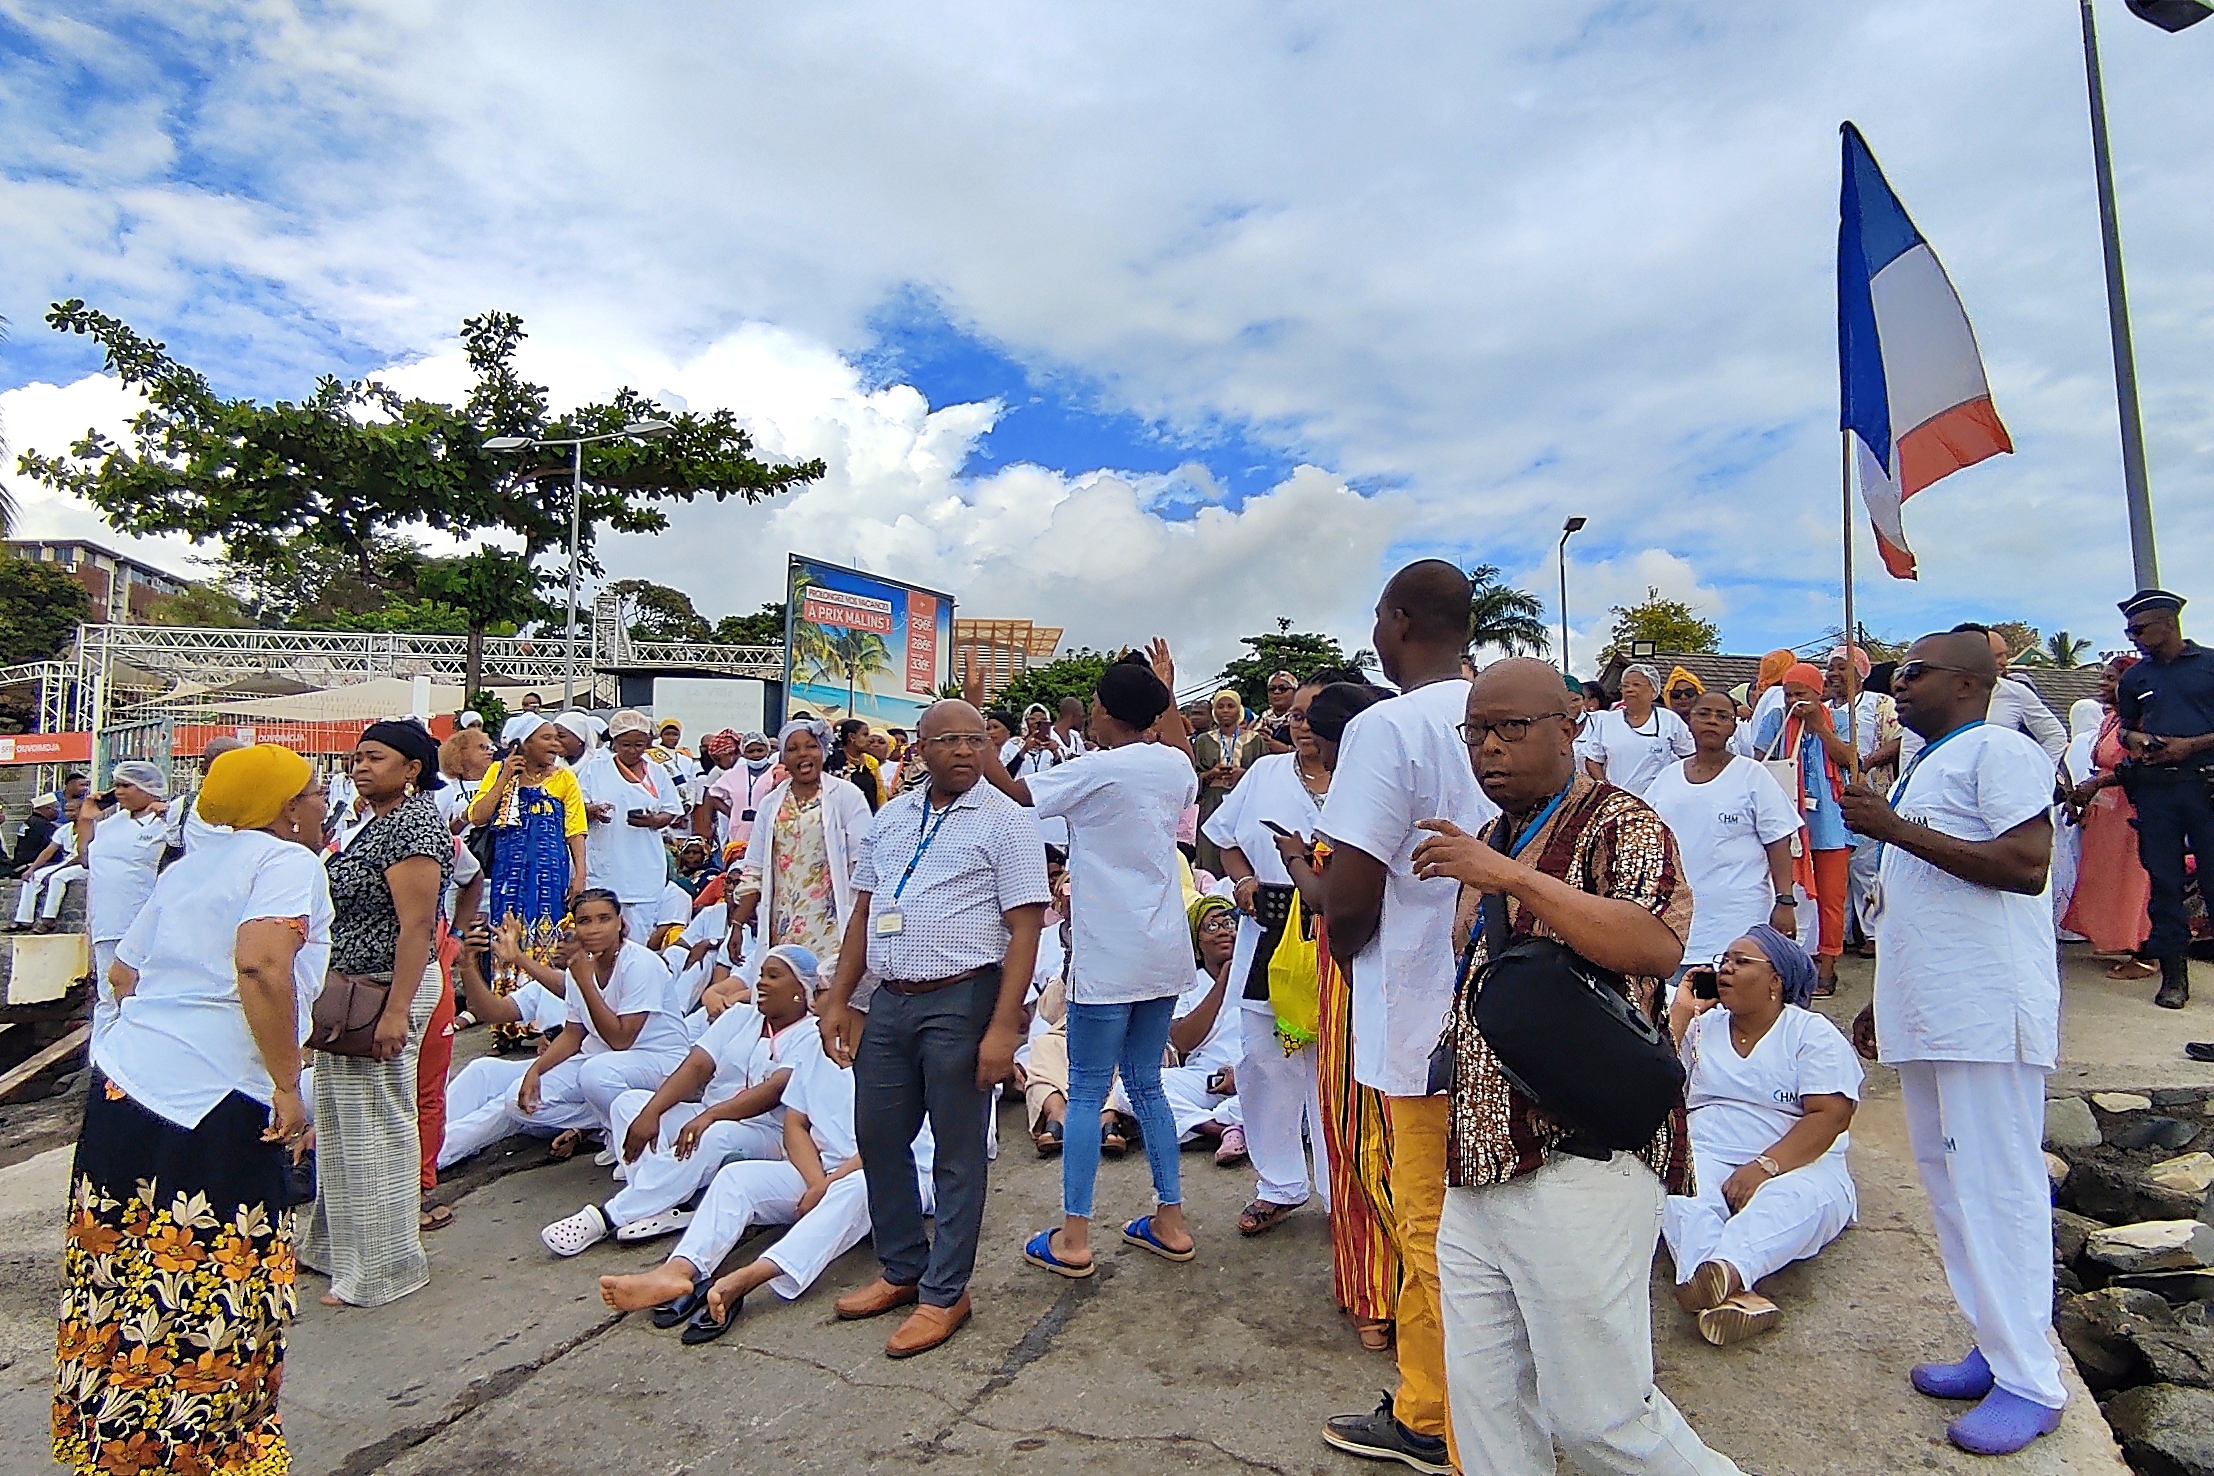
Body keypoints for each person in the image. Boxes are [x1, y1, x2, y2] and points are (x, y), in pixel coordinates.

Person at [1411, 657, 1740, 1476]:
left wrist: (1512, 878)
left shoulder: (1623, 823)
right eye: (1476, 731)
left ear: (1570, 726)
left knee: (1599, 1418)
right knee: (1488, 1414)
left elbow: (1654, 943)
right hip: (1481, 1161)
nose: (1489, 748)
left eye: (1511, 728)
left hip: (1581, 1158)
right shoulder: (1490, 836)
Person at [54, 744, 330, 1476]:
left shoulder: (188, 870)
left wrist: (146, 1038)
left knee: (119, 1271)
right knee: (216, 1282)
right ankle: (205, 1453)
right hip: (215, 1099)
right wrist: (284, 1084)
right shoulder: (285, 864)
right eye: (312, 789)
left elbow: (123, 973)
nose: (323, 800)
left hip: (127, 1089)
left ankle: (116, 1448)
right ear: (283, 808)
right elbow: (261, 964)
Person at [1838, 631, 2068, 1455]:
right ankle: (1997, 1342)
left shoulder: (1999, 750)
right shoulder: (1929, 761)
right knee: (1951, 1186)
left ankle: (2032, 1380)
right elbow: (1921, 900)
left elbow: (2023, 863)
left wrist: (1891, 829)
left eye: (1915, 672)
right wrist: (1883, 999)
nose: (1898, 683)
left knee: (1997, 1188)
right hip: (1936, 1013)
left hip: (1984, 1015)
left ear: (1969, 682)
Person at [1316, 560, 1498, 1471]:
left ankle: (1466, 1438)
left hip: (1418, 1015)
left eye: (1377, 621)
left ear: (1398, 621)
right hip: (1505, 1021)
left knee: (1429, 1230)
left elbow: (1349, 896)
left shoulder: (1389, 727)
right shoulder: (1510, 716)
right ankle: (1429, 1408)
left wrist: (1340, 948)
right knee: (1482, 1227)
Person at [816, 697, 1050, 1358]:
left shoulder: (1008, 822)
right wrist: (841, 998)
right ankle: (902, 1268)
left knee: (957, 1149)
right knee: (879, 1134)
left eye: (976, 740)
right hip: (890, 1000)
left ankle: (946, 1293)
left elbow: (1026, 928)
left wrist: (1005, 1028)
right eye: (948, 740)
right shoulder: (892, 817)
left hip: (963, 998)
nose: (965, 752)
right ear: (919, 748)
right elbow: (865, 912)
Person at [973, 645, 1201, 1278]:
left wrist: (975, 713)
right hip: (1161, 953)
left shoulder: (1097, 769)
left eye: (1095, 707)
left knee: (1086, 1091)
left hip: (1107, 954)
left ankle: (1073, 1236)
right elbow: (1179, 749)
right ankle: (1171, 1221)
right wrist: (1167, 691)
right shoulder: (1170, 767)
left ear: (1102, 711)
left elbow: (1016, 793)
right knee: (1147, 1083)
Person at [299, 720, 453, 1308]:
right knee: (340, 1123)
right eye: (357, 757)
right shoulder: (369, 824)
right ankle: (339, 1252)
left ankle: (385, 1265)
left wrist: (395, 1012)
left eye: (376, 757)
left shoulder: (414, 826)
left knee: (377, 1128)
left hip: (390, 987)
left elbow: (416, 926)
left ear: (412, 768)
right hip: (354, 987)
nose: (361, 766)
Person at [541, 944, 820, 1254]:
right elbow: (696, 1065)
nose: (761, 983)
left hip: (765, 1133)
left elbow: (773, 1092)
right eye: (761, 975)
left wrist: (710, 1116)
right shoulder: (741, 1016)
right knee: (630, 1105)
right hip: (706, 1112)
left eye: (774, 976)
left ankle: (607, 1216)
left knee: (714, 1134)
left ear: (801, 989)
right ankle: (665, 1208)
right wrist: (652, 1112)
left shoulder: (811, 1034)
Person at [1663, 926, 1860, 1346]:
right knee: (1679, 1191)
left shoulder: (1810, 1032)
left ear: (1776, 982)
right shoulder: (1703, 1025)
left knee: (1786, 1203)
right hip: (1710, 1145)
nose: (1725, 970)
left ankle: (1726, 1270)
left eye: (1740, 962)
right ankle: (1735, 1294)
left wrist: (1763, 1167)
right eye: (1724, 961)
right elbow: (1653, 1078)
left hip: (1799, 1158)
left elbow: (1830, 1115)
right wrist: (1681, 1012)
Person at [1276, 678, 1397, 1352]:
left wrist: (1295, 856)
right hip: (1398, 978)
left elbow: (1334, 901)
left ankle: (1375, 1298)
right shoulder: (1411, 778)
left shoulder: (1360, 792)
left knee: (1356, 1138)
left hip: (1355, 980)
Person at [1206, 672, 1345, 1236]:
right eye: (1296, 714)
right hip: (1270, 924)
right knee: (1266, 1060)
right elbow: (1225, 838)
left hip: (1345, 927)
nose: (1303, 723)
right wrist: (1240, 883)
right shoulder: (1264, 773)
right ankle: (1280, 1183)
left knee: (1341, 1063)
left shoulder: (1365, 777)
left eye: (1316, 713)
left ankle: (1347, 1194)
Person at [438, 890, 690, 1163]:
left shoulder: (639, 963)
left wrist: (584, 982)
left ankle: (620, 1131)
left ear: (620, 923)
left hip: (658, 1063)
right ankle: (425, 1140)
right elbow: (572, 1035)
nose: (593, 929)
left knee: (597, 1073)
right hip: (598, 1064)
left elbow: (621, 1040)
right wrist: (535, 1070)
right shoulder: (580, 969)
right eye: (584, 922)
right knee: (516, 1099)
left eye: (604, 919)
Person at [1644, 691, 1801, 976]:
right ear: (1689, 721)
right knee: (1681, 1012)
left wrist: (1785, 901)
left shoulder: (1752, 775)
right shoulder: (1667, 779)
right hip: (1677, 921)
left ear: (1733, 727)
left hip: (1738, 919)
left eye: (1722, 717)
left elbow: (1778, 841)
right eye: (1704, 714)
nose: (1712, 722)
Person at [2112, 591, 2214, 1011]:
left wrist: (2190, 746)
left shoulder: (2210, 665)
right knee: (2164, 884)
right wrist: (2138, 740)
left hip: (2206, 786)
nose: (2132, 638)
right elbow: (2123, 728)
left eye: (2138, 629)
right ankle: (2174, 978)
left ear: (2168, 624)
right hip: (2157, 791)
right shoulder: (2136, 678)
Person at [469, 713, 589, 1048]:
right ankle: (507, 1024)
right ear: (525, 743)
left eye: (556, 738)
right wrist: (506, 775)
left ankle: (543, 1023)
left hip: (550, 874)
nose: (556, 745)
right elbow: (478, 816)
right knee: (509, 936)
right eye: (547, 738)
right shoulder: (499, 772)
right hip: (510, 873)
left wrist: (580, 873)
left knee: (546, 940)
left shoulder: (564, 779)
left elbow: (575, 830)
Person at [727, 719, 873, 990]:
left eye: (810, 747)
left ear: (823, 751)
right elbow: (755, 867)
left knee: (826, 993)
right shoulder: (771, 804)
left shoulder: (847, 796)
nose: (803, 754)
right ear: (783, 758)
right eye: (793, 749)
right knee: (788, 994)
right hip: (782, 924)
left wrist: (862, 923)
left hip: (832, 924)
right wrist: (737, 925)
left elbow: (864, 863)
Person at [1755, 662, 1856, 993]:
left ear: (1819, 693)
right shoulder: (1776, 720)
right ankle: (1784, 965)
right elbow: (1760, 763)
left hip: (1829, 822)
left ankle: (1827, 966)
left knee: (1831, 897)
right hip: (1788, 820)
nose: (1794, 700)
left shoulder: (1838, 719)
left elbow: (1849, 759)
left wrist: (1819, 727)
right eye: (1788, 694)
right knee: (1785, 893)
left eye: (1801, 694)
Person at [2062, 656, 2154, 969]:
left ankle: (2145, 953)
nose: (2103, 684)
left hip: (2131, 804)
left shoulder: (2143, 721)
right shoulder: (2110, 719)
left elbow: (2143, 766)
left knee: (2132, 877)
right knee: (2107, 876)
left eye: (2111, 679)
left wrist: (2100, 782)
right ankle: (2116, 939)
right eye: (2103, 677)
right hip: (2105, 807)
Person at [578, 711, 685, 939]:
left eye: (639, 745)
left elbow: (672, 810)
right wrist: (593, 811)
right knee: (600, 935)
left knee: (639, 937)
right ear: (614, 743)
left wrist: (654, 821)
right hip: (606, 866)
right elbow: (576, 808)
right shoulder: (594, 770)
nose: (633, 751)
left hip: (644, 868)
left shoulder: (657, 772)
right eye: (626, 744)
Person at [84, 761, 172, 1026]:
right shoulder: (111, 824)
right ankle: (100, 1058)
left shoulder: (164, 821)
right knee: (107, 995)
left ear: (148, 788)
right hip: (106, 920)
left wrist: (167, 815)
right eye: (116, 786)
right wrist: (87, 817)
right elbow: (84, 858)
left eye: (126, 786)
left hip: (142, 918)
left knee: (142, 989)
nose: (119, 792)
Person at [1582, 663, 1695, 798]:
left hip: (1658, 800)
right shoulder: (1607, 721)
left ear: (1653, 690)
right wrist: (1607, 790)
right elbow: (1593, 760)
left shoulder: (1669, 720)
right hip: (1619, 802)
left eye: (1636, 685)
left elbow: (1690, 756)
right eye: (1625, 686)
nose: (1629, 689)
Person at [1191, 688, 1264, 873]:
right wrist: (1211, 774)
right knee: (1211, 853)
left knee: (1242, 849)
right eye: (1220, 706)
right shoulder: (1203, 740)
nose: (1225, 710)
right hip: (1213, 802)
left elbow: (1264, 774)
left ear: (1238, 710)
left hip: (1244, 803)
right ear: (1214, 712)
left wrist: (1243, 773)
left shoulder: (1255, 740)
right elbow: (1194, 776)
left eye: (1230, 706)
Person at [11, 796, 85, 932]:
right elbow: (49, 851)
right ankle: (24, 919)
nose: (69, 814)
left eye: (73, 811)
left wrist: (54, 870)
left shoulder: (92, 828)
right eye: (67, 811)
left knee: (57, 877)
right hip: (67, 862)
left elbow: (81, 857)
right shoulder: (65, 829)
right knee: (33, 877)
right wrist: (32, 869)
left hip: (85, 866)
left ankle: (48, 919)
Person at [437, 725, 496, 831]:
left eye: (489, 748)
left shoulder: (498, 781)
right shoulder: (448, 787)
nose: (490, 752)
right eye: (482, 747)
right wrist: (464, 818)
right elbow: (442, 829)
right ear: (461, 753)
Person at [9, 790, 60, 874]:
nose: (58, 811)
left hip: (21, 864)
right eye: (56, 808)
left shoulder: (32, 821)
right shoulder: (43, 825)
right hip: (30, 866)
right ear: (47, 808)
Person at [1261, 670, 1300, 754]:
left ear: (1295, 692)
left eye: (1283, 688)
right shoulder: (1258, 722)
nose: (1276, 692)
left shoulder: (1301, 720)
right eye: (1272, 689)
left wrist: (1287, 749)